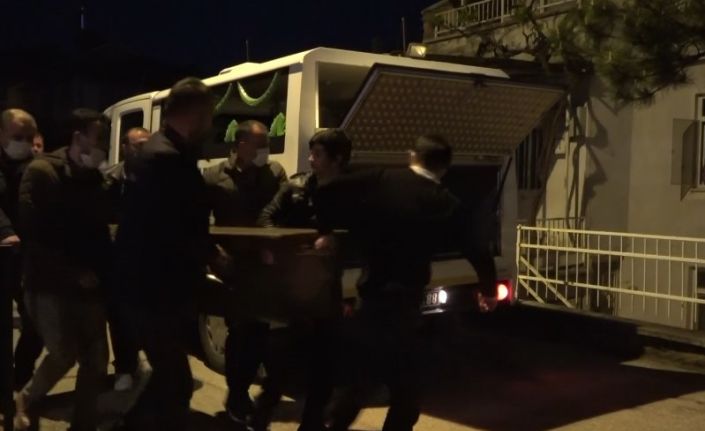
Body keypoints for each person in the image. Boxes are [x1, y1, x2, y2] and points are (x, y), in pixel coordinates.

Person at [315, 135, 497, 431]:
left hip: (371, 298)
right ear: (445, 168)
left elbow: (327, 190)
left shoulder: (381, 178)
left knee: (359, 379)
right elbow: (477, 249)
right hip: (405, 306)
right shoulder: (446, 202)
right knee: (407, 388)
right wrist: (488, 291)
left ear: (413, 156)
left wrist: (327, 231)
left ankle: (332, 424)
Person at [114, 78, 218, 431]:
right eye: (210, 115)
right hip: (153, 290)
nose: (211, 124)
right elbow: (177, 228)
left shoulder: (161, 152)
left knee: (168, 378)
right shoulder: (166, 159)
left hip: (148, 288)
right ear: (196, 114)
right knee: (175, 383)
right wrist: (214, 257)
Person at [15, 108, 112, 431]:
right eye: (99, 138)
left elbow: (99, 231)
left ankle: (84, 423)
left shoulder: (94, 178)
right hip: (48, 283)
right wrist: (72, 272)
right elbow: (35, 235)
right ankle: (25, 399)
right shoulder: (42, 172)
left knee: (96, 359)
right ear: (78, 137)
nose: (103, 146)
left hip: (89, 284)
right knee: (62, 353)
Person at [252, 129, 352, 431]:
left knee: (324, 363)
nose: (310, 160)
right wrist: (280, 246)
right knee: (283, 357)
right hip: (294, 284)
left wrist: (336, 241)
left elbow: (365, 232)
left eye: (317, 155)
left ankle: (311, 423)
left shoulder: (352, 192)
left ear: (338, 159)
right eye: (311, 153)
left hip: (328, 288)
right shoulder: (296, 186)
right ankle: (262, 411)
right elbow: (266, 218)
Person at [202, 119, 287, 429]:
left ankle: (243, 395)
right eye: (260, 143)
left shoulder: (273, 173)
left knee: (261, 334)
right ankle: (237, 395)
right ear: (240, 145)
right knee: (239, 334)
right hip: (232, 268)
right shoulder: (214, 177)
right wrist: (214, 255)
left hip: (265, 267)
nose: (266, 149)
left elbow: (283, 213)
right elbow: (198, 221)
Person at [0, 109, 44, 394]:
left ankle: (19, 377)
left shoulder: (37, 167)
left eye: (29, 137)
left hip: (26, 256)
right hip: (5, 248)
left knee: (36, 323)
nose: (25, 143)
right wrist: (5, 230)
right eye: (18, 137)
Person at [103, 126, 150, 391]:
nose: (142, 150)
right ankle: (124, 366)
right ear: (124, 147)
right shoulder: (110, 179)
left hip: (147, 259)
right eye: (137, 145)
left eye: (146, 144)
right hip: (117, 260)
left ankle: (139, 359)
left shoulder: (158, 179)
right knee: (119, 317)